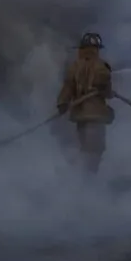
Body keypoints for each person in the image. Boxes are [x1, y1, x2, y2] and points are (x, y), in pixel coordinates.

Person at [56, 32, 114, 174]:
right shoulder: (102, 66)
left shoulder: (74, 67)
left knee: (85, 146)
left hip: (81, 115)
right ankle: (90, 177)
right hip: (97, 116)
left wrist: (62, 103)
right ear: (97, 49)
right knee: (96, 149)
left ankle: (84, 179)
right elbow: (107, 91)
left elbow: (68, 88)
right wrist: (107, 92)